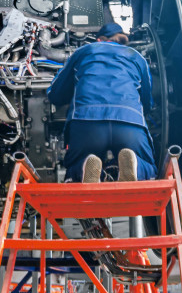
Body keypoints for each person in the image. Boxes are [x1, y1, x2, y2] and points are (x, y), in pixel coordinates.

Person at [47, 22, 157, 183]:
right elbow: (147, 102)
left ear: (100, 40)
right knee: (148, 166)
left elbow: (55, 95)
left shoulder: (84, 52)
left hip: (87, 123)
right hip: (129, 122)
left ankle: (84, 166)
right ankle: (135, 165)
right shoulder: (137, 57)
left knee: (73, 168)